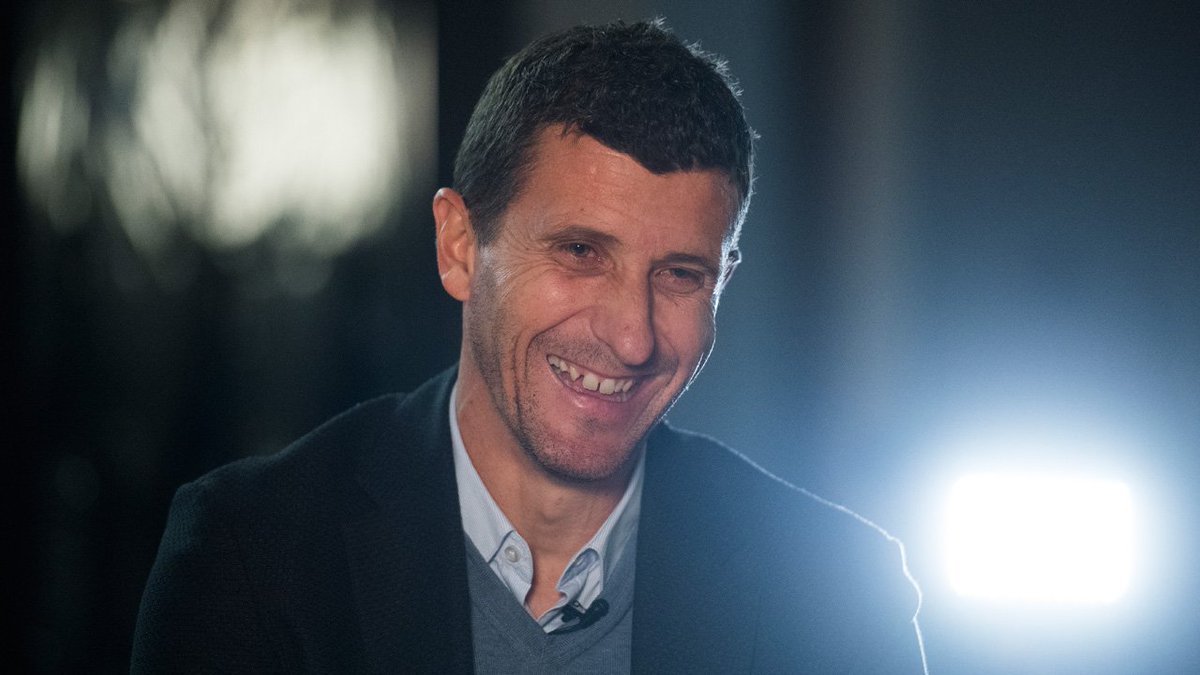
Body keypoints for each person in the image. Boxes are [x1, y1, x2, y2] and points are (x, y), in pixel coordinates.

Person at [132, 19, 927, 674]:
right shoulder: (251, 557)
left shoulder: (837, 589)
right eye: (581, 252)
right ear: (458, 246)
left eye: (681, 274)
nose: (632, 336)